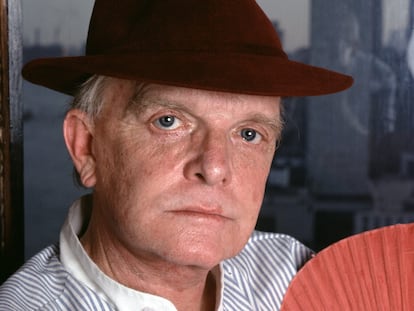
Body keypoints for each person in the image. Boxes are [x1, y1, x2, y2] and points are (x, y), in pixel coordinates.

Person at [0, 0, 352, 310]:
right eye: (168, 121)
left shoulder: (300, 277)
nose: (214, 167)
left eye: (249, 133)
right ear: (87, 147)